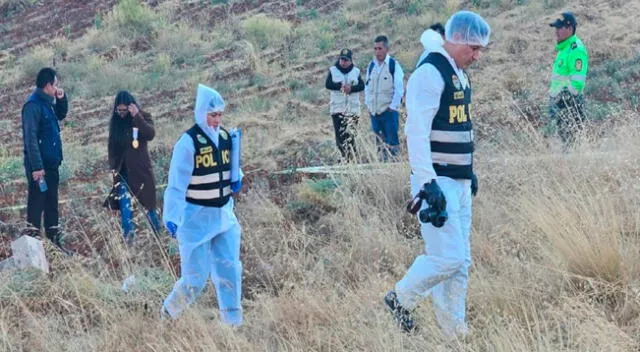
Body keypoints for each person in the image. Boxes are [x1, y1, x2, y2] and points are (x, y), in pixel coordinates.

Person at [384, 11, 491, 338]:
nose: (477, 55)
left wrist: (468, 171)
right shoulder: (429, 72)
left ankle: (453, 332)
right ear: (455, 40)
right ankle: (400, 299)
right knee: (448, 257)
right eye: (473, 47)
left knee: (461, 263)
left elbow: (459, 126)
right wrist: (428, 183)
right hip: (436, 183)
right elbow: (416, 132)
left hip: (457, 181)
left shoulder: (460, 74)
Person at [161, 84, 244, 326]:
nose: (217, 120)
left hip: (224, 215)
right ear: (201, 113)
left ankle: (233, 322)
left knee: (230, 268)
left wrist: (238, 178)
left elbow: (231, 167)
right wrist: (172, 216)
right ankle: (168, 313)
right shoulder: (188, 143)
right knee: (195, 279)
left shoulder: (227, 138)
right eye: (212, 115)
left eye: (220, 115)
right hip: (195, 218)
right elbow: (176, 184)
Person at [103, 91, 161, 245]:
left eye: (124, 110)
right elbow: (112, 148)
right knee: (126, 211)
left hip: (141, 173)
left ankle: (159, 238)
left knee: (150, 209)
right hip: (123, 174)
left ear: (131, 107)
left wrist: (137, 116)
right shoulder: (115, 123)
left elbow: (150, 134)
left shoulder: (142, 117)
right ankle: (130, 242)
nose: (121, 113)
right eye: (119, 110)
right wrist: (113, 170)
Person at [21, 67, 69, 250]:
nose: (57, 87)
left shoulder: (47, 102)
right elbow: (30, 138)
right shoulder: (32, 106)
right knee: (36, 207)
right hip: (39, 168)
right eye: (55, 84)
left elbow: (61, 115)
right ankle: (32, 250)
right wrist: (37, 167)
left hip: (51, 165)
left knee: (51, 206)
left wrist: (61, 98)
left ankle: (55, 247)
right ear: (48, 85)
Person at [548, 12, 588, 147]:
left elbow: (577, 82)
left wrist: (564, 97)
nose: (556, 31)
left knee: (573, 145)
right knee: (567, 143)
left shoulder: (576, 49)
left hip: (570, 104)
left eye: (560, 28)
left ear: (570, 29)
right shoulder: (564, 49)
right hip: (562, 103)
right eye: (556, 28)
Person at [364, 35, 405, 161]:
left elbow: (399, 89)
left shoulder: (393, 65)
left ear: (386, 49)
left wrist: (392, 107)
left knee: (392, 144)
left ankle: (393, 170)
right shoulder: (371, 66)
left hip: (389, 113)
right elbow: (367, 88)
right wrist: (369, 106)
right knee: (380, 146)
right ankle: (382, 170)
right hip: (375, 113)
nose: (377, 52)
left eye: (380, 48)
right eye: (375, 49)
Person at [325, 48, 365, 162]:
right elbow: (328, 84)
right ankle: (344, 160)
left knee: (351, 137)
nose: (343, 62)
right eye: (342, 59)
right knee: (340, 138)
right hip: (338, 110)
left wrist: (351, 88)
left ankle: (353, 160)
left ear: (350, 61)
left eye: (346, 60)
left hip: (353, 111)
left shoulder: (356, 71)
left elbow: (362, 86)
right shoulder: (333, 70)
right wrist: (340, 87)